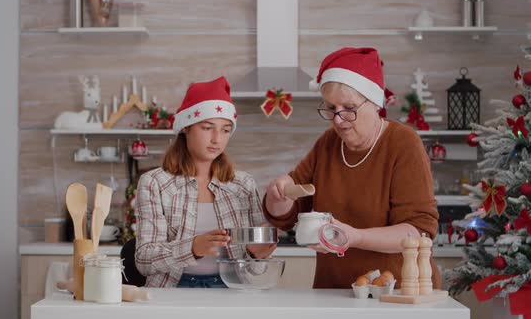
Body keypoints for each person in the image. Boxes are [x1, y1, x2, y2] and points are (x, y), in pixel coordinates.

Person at [263, 47, 440, 289]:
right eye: (331, 108)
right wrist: (279, 196)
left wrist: (355, 237)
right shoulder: (328, 144)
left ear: (374, 103)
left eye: (349, 108)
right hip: (335, 294)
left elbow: (418, 232)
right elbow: (290, 212)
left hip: (397, 294)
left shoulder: (403, 143)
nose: (337, 119)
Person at [135, 76, 276, 288]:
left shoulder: (243, 185)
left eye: (225, 130)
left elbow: (256, 270)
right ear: (186, 127)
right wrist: (192, 248)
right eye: (207, 127)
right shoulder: (155, 183)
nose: (217, 139)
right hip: (172, 289)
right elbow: (144, 260)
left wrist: (255, 255)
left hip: (230, 288)